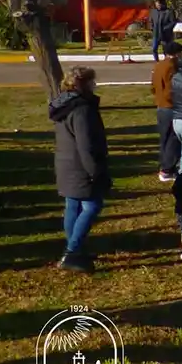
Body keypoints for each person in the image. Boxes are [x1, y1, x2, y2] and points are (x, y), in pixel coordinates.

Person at [51, 67, 110, 272]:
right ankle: (72, 251)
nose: (95, 86)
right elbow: (87, 145)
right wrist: (96, 171)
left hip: (66, 163)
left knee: (73, 206)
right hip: (81, 166)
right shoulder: (82, 109)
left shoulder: (64, 104)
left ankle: (75, 247)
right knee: (92, 207)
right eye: (92, 82)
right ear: (83, 84)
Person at [151, 40, 182, 182]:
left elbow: (153, 86)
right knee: (173, 139)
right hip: (171, 107)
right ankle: (167, 169)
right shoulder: (172, 67)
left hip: (160, 106)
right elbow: (172, 89)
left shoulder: (158, 65)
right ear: (176, 54)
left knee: (164, 138)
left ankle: (164, 166)